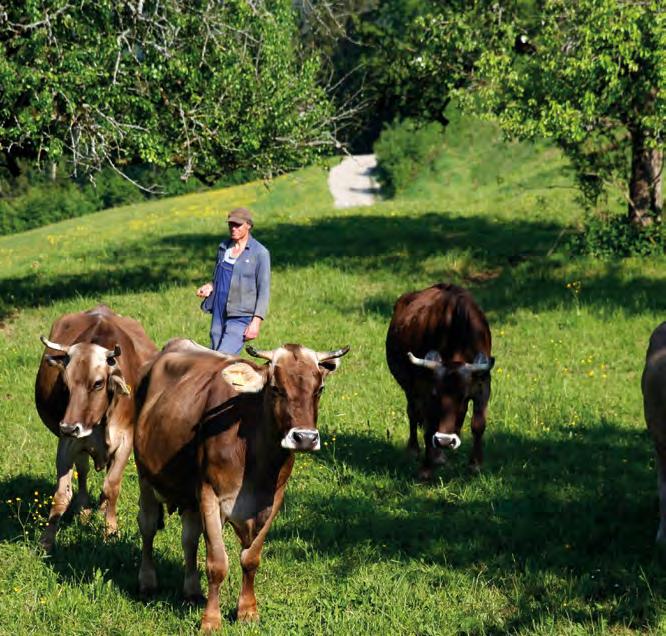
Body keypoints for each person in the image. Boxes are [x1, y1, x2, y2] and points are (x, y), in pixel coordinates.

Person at [196, 207, 270, 354]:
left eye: (238, 225)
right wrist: (210, 285)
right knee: (214, 355)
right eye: (231, 224)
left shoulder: (260, 253)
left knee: (223, 357)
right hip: (219, 311)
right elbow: (219, 276)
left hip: (241, 315)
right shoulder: (223, 247)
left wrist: (256, 323)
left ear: (248, 225)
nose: (233, 228)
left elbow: (264, 291)